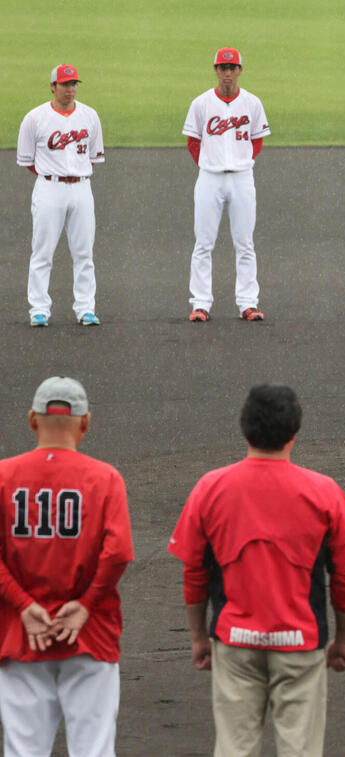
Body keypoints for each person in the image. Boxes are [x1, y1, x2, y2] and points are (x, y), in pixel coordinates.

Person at [168, 384, 345, 756]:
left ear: (244, 428)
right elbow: (344, 576)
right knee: (300, 748)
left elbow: (194, 572)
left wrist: (200, 637)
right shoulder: (325, 492)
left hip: (234, 641)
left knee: (234, 747)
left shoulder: (210, 488)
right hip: (300, 642)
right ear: (294, 433)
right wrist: (342, 641)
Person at [0, 377, 133, 756]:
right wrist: (86, 603)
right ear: (85, 423)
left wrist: (24, 605)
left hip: (21, 635)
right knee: (92, 750)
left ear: (32, 420)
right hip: (89, 636)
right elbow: (118, 552)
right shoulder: (105, 477)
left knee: (23, 751)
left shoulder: (3, 476)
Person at [183, 47, 271, 323]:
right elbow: (193, 141)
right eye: (223, 68)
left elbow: (256, 140)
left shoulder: (252, 103)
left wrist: (240, 160)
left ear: (240, 70)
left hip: (242, 178)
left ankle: (247, 303)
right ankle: (200, 304)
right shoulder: (201, 103)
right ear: (215, 70)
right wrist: (210, 163)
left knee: (244, 243)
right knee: (204, 243)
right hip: (209, 178)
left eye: (232, 68)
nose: (228, 73)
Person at [17, 65, 105, 327]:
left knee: (84, 253)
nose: (70, 89)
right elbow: (28, 160)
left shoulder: (90, 116)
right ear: (53, 87)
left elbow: (94, 156)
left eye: (74, 84)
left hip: (81, 188)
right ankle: (39, 310)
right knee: (42, 252)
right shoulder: (35, 118)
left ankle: (86, 308)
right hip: (49, 188)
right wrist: (51, 173)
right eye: (65, 84)